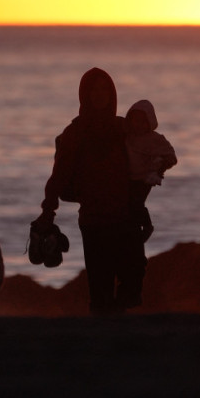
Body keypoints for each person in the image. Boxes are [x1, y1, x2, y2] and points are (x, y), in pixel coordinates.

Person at [33, 67, 147, 314]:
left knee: (134, 276)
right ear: (85, 94)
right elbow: (59, 176)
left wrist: (141, 208)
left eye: (104, 88)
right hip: (94, 221)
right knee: (101, 290)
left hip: (125, 216)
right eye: (93, 89)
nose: (99, 94)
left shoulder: (122, 128)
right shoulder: (75, 133)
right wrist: (47, 213)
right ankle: (106, 337)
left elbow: (137, 171)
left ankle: (114, 325)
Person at [124, 99, 177, 243]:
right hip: (128, 178)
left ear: (149, 122)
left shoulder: (154, 139)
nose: (138, 125)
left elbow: (171, 156)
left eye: (142, 121)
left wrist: (159, 168)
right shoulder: (127, 137)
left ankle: (147, 226)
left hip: (145, 178)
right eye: (135, 120)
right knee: (128, 205)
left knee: (136, 202)